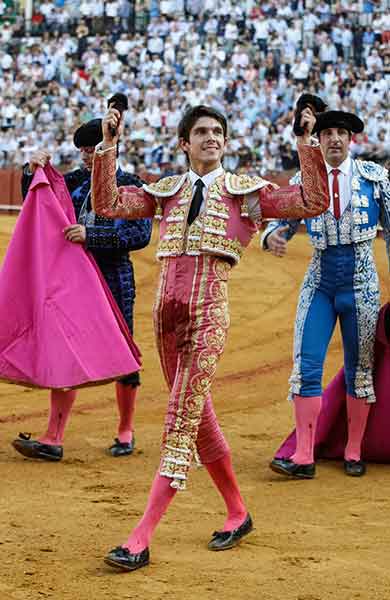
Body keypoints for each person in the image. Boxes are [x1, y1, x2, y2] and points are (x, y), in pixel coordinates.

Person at [91, 103, 329, 572]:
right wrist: (108, 147)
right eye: (201, 132)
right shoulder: (169, 191)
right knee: (198, 417)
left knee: (181, 415)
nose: (211, 138)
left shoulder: (245, 194)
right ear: (185, 143)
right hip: (166, 315)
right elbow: (108, 205)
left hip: (208, 313)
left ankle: (141, 536)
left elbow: (311, 201)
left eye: (218, 131)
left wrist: (306, 142)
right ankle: (238, 512)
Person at [12, 116, 152, 462]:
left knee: (123, 355)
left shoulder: (132, 185)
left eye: (92, 149)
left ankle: (125, 430)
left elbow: (139, 236)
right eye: (83, 151)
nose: (87, 156)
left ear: (112, 146)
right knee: (66, 348)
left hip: (114, 276)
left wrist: (93, 236)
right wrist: (32, 173)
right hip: (75, 280)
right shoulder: (72, 182)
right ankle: (54, 436)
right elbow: (40, 205)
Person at [264, 110, 390, 479]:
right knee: (306, 366)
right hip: (319, 283)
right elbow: (282, 219)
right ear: (317, 140)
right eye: (327, 133)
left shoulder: (376, 178)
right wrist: (273, 235)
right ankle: (304, 455)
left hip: (362, 284)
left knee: (360, 369)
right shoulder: (306, 178)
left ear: (351, 139)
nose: (334, 138)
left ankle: (353, 450)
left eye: (341, 132)